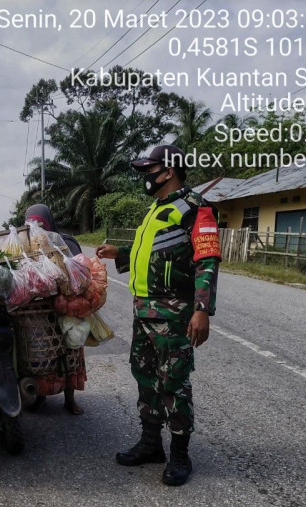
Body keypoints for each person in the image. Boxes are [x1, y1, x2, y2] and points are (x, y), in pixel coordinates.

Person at [96, 144, 221, 487]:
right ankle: (151, 444)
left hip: (176, 314)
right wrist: (119, 252)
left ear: (168, 171)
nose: (145, 177)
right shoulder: (156, 209)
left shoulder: (197, 209)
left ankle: (180, 454)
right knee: (146, 376)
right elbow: (152, 250)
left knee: (174, 382)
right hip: (144, 310)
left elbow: (206, 261)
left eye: (149, 170)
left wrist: (201, 310)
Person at [24, 203, 85, 415]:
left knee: (71, 353)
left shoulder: (65, 241)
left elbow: (79, 269)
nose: (38, 228)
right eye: (32, 223)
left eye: (41, 223)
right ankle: (40, 396)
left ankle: (70, 398)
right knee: (40, 354)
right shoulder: (25, 244)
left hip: (67, 307)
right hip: (39, 311)